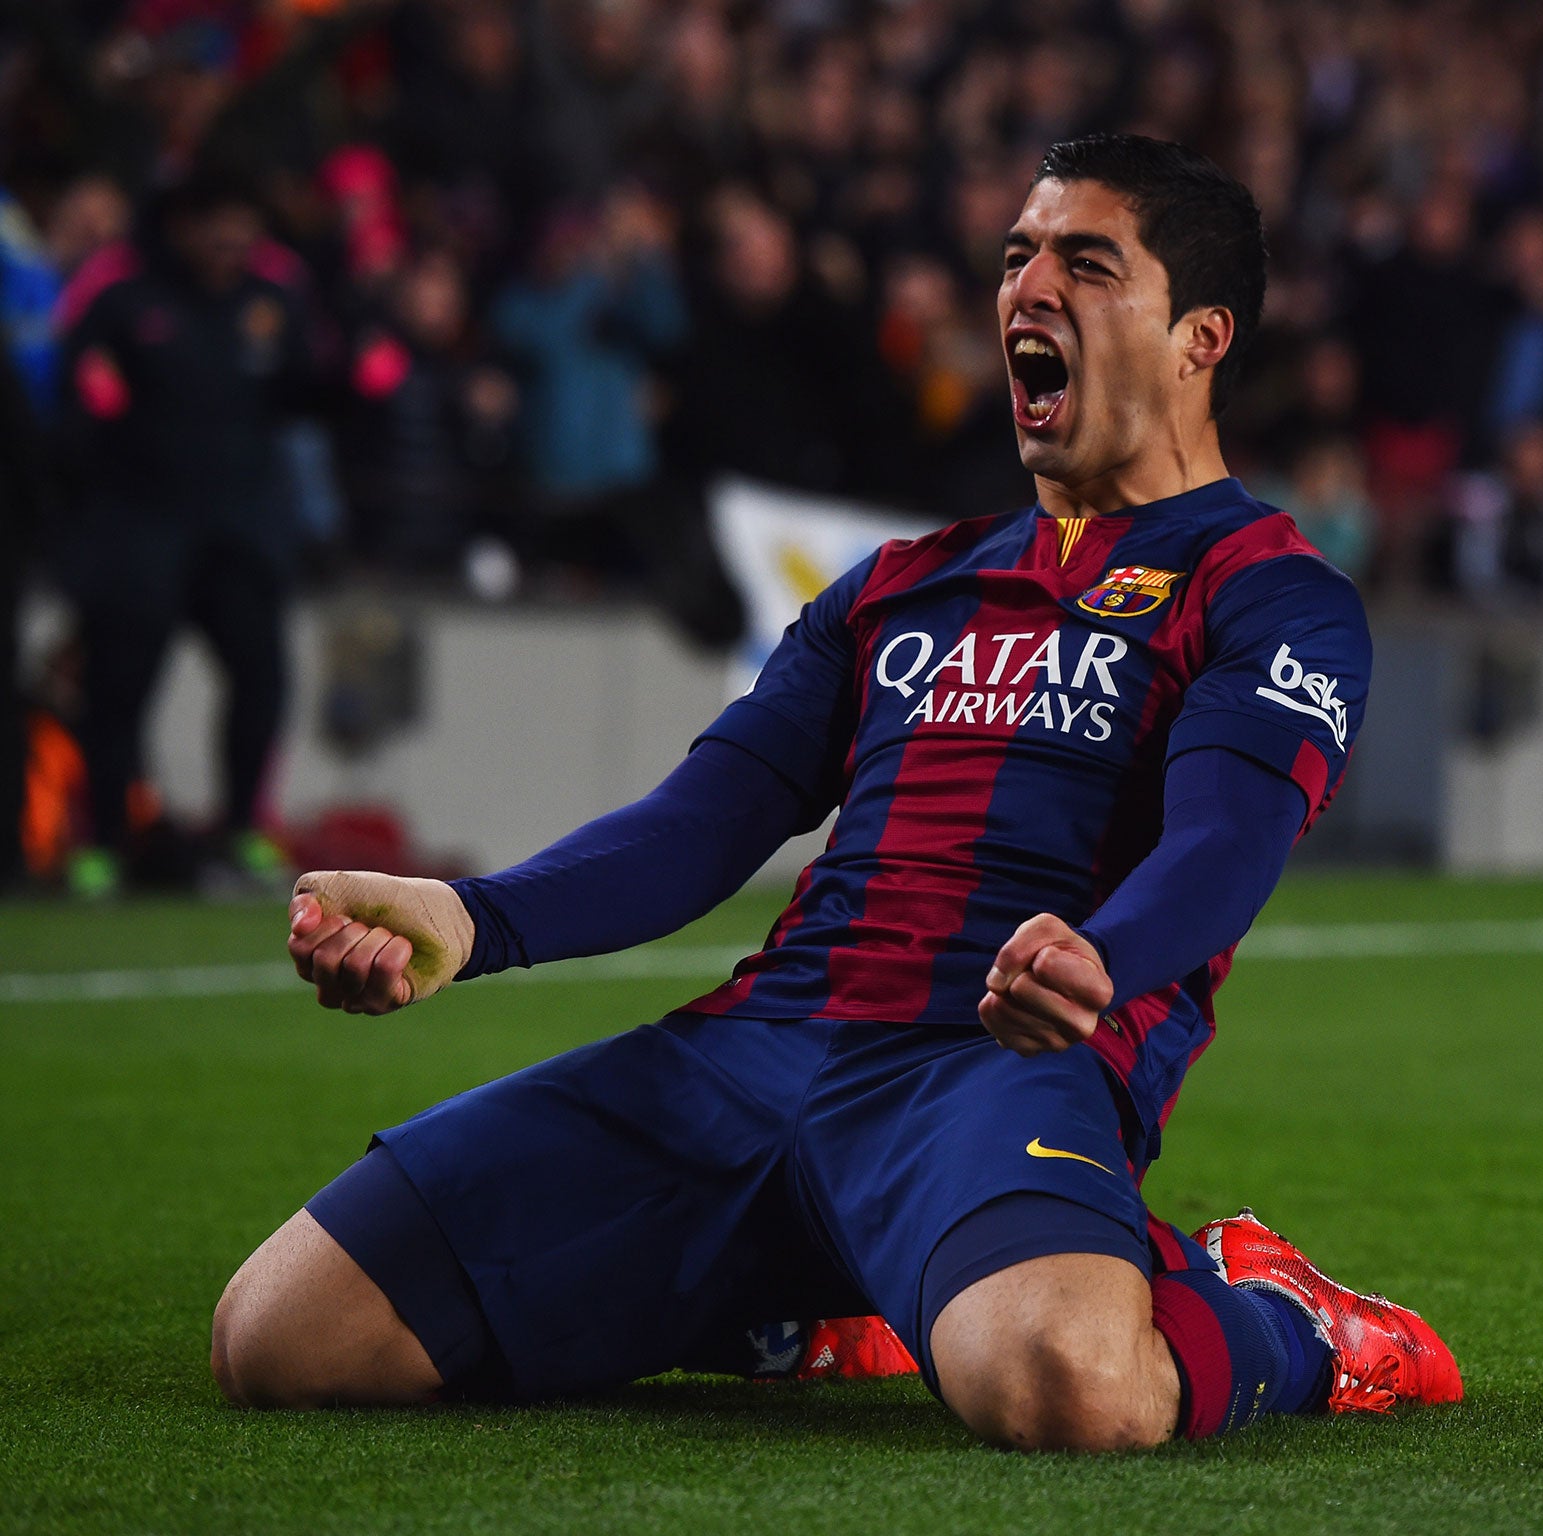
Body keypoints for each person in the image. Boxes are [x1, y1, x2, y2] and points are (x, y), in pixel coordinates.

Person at [209, 136, 1461, 1450]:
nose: (1030, 288)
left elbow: (1225, 840)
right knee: (279, 1338)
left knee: (1073, 1388)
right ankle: (805, 1303)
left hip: (993, 1068)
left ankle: (1286, 1321)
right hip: (761, 1051)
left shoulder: (1271, 591)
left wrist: (1105, 952)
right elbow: (704, 824)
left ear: (1202, 336)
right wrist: (473, 919)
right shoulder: (896, 584)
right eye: (1017, 257)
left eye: (1088, 265)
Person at [54, 176, 318, 897]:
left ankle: (241, 829)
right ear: (182, 226)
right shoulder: (124, 301)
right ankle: (103, 841)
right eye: (216, 220)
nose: (230, 237)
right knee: (119, 689)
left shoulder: (270, 305)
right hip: (141, 529)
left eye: (243, 220)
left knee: (261, 675)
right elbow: (74, 410)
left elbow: (306, 395)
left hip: (238, 529)